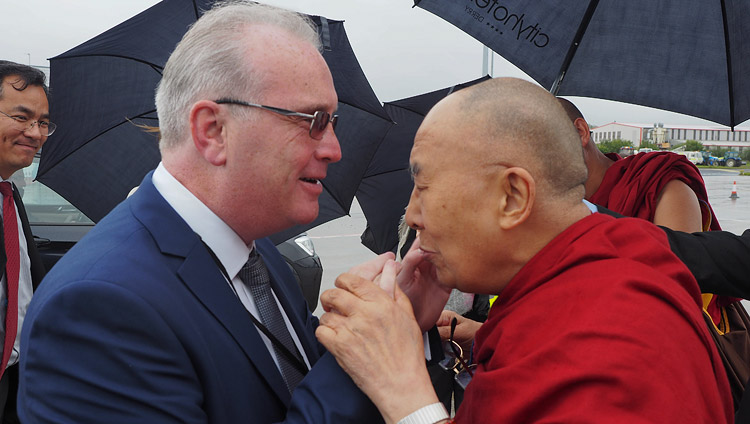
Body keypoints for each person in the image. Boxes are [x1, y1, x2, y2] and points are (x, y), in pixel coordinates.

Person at [17, 3, 380, 423]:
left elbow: (294, 374)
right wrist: (361, 359)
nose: (333, 149)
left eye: (332, 121)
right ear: (213, 131)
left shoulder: (259, 253)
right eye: (313, 120)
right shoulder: (97, 307)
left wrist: (385, 322)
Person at [316, 77, 734, 423]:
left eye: (423, 188)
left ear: (513, 197)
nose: (413, 215)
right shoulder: (587, 275)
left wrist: (403, 391)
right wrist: (417, 331)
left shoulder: (618, 335)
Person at [0, 61, 49, 423]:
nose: (35, 132)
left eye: (43, 122)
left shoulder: (10, 196)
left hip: (17, 381)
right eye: (22, 117)